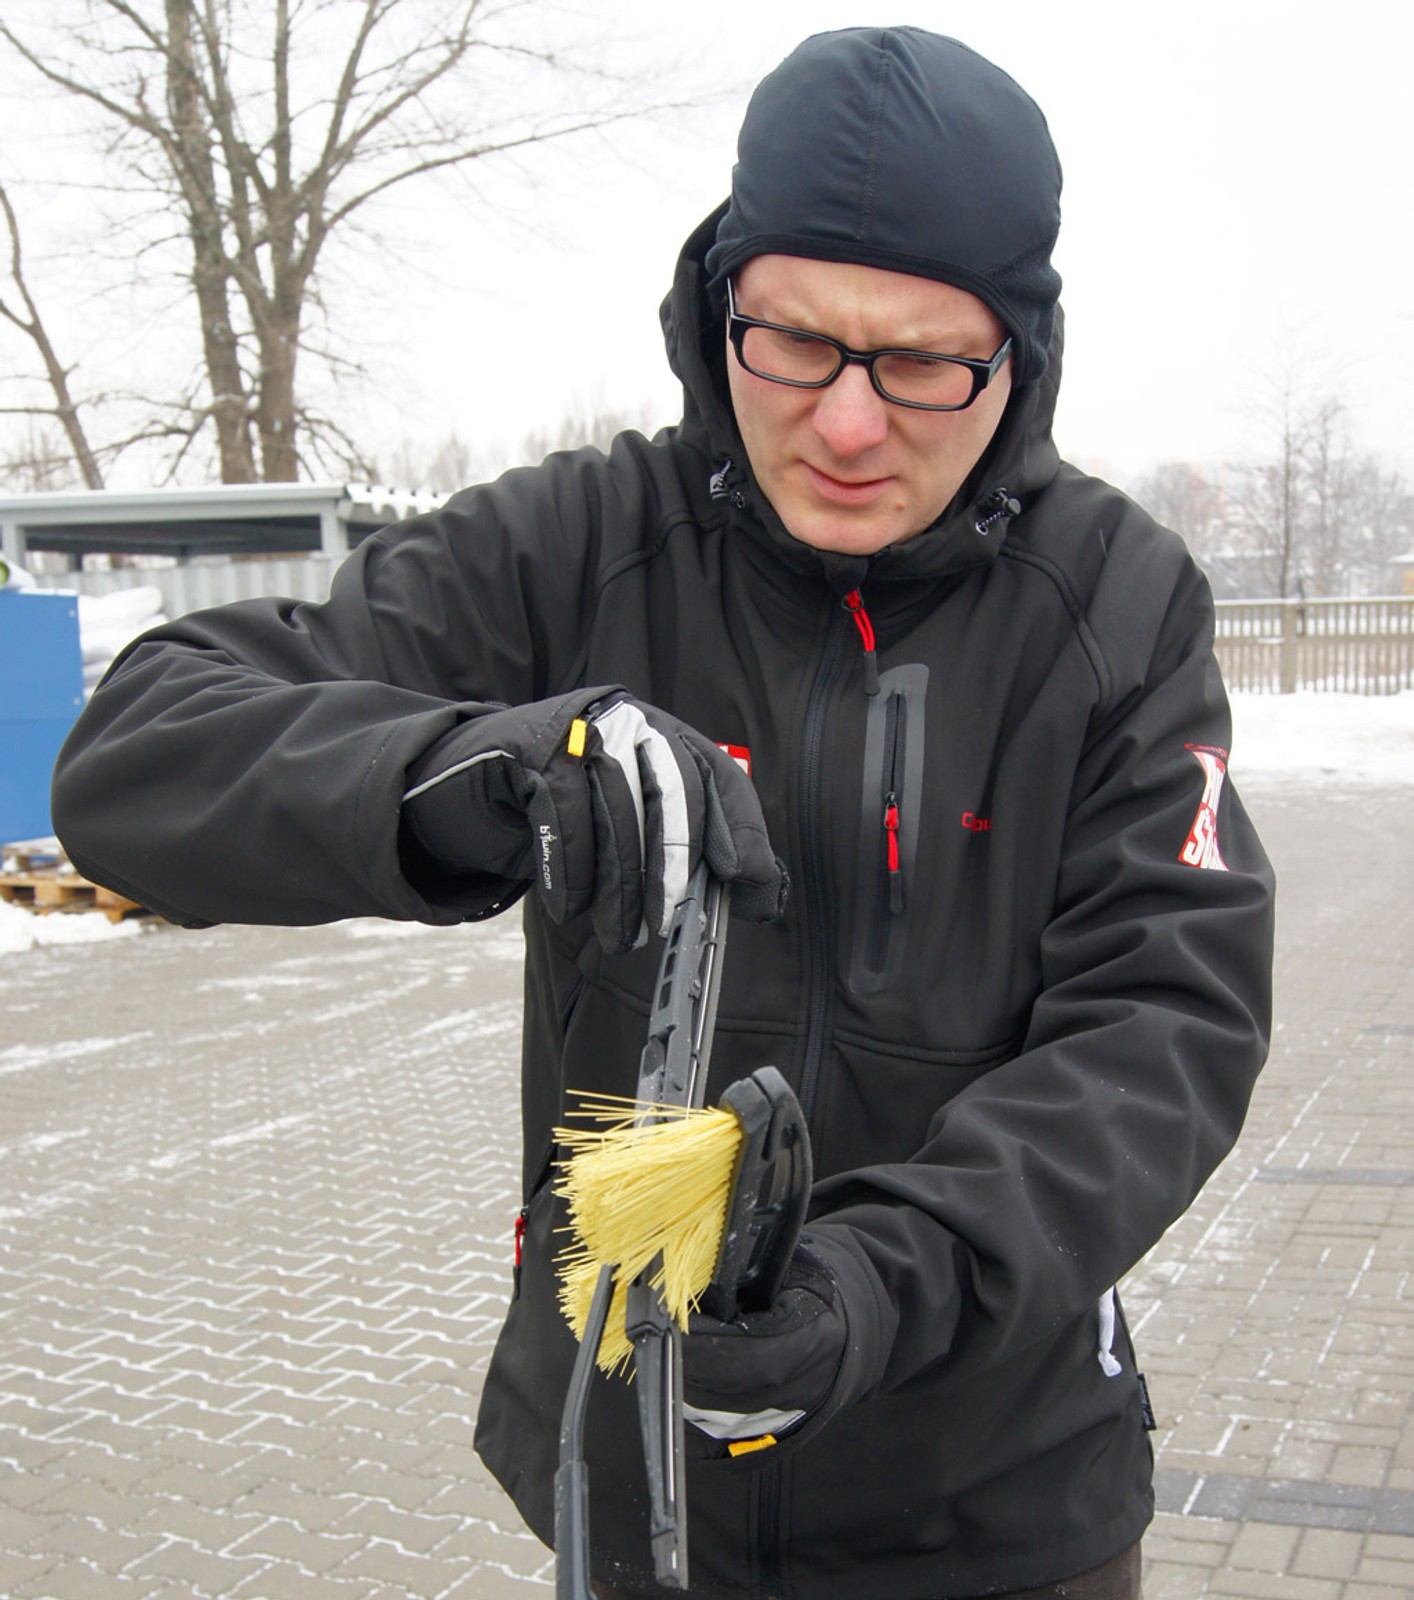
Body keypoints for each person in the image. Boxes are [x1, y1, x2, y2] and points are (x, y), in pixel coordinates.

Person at [52, 27, 1275, 1600]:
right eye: (793, 344)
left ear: (1018, 356)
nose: (844, 426)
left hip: (988, 1502)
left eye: (918, 362)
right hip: (627, 1481)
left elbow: (1161, 1027)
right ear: (716, 311)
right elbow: (137, 757)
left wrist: (869, 1285)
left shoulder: (1113, 605)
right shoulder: (572, 545)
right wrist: (459, 773)